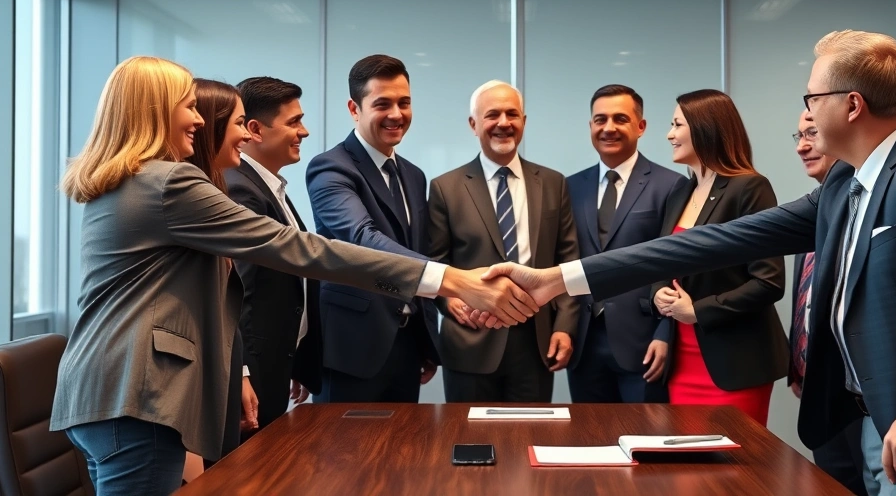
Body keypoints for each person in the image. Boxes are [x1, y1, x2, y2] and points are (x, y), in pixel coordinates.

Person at [485, 30, 896, 496]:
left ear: (852, 105)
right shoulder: (846, 180)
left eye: (812, 98)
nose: (807, 113)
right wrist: (561, 278)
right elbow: (717, 243)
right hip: (875, 418)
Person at [51, 56, 538, 496]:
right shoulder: (171, 183)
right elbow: (299, 250)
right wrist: (449, 280)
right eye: (188, 106)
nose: (200, 119)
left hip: (104, 389)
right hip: (138, 396)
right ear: (154, 110)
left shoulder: (123, 182)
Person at [427, 80, 580, 403]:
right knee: (468, 442)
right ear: (473, 124)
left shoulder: (553, 183)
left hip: (535, 341)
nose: (503, 123)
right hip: (470, 336)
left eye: (512, 114)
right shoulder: (446, 187)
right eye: (492, 115)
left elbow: (568, 261)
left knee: (529, 441)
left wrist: (565, 326)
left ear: (524, 121)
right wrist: (448, 300)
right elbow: (433, 263)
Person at [306, 55, 441, 403]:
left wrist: (426, 337)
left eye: (404, 103)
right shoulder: (330, 168)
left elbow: (415, 247)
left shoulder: (413, 175)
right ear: (355, 108)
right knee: (345, 455)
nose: (396, 114)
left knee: (404, 454)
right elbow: (362, 238)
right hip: (353, 350)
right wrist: (450, 280)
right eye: (382, 104)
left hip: (408, 346)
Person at [650, 89, 788, 426]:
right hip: (681, 362)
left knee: (734, 471)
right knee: (687, 473)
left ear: (705, 128)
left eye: (677, 124)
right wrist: (658, 291)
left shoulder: (750, 188)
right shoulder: (679, 191)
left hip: (735, 366)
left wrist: (697, 311)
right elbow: (662, 261)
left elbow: (769, 282)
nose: (669, 134)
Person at [565, 84, 683, 403]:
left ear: (640, 126)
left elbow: (677, 266)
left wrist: (665, 334)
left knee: (643, 444)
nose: (609, 128)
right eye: (600, 119)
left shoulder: (670, 186)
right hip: (583, 341)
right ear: (590, 126)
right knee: (589, 443)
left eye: (620, 119)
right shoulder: (570, 187)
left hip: (644, 342)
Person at [224, 76, 322, 433]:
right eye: (294, 122)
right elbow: (238, 296)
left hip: (278, 362)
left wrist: (298, 360)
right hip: (255, 371)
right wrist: (243, 373)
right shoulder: (240, 190)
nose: (305, 131)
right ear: (255, 129)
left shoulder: (270, 186)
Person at [791, 109, 866, 495]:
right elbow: (807, 301)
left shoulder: (870, 202)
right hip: (819, 389)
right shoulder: (820, 210)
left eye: (813, 133)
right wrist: (799, 363)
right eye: (798, 135)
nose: (803, 145)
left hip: (860, 393)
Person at [183, 78, 254, 475]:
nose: (247, 134)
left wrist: (239, 372)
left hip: (221, 375)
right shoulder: (180, 190)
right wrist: (440, 279)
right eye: (240, 123)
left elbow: (222, 300)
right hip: (188, 394)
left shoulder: (215, 188)